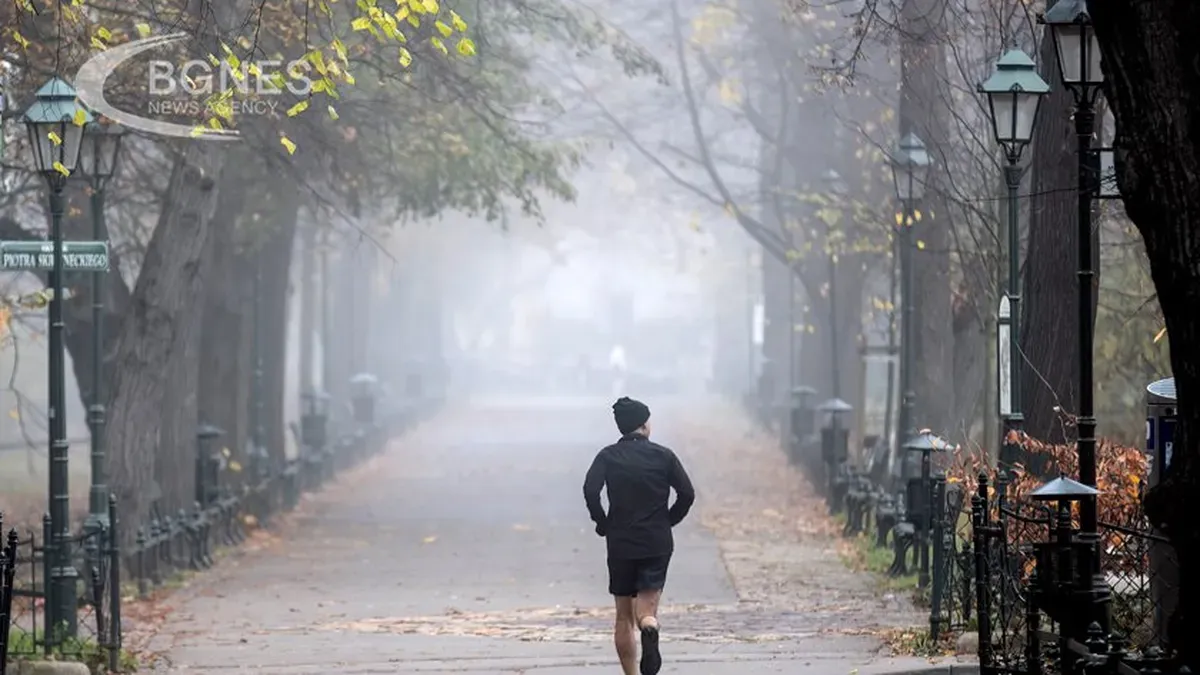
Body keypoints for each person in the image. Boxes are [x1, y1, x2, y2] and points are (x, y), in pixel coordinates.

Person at [583, 397, 696, 675]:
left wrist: (603, 521)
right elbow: (687, 494)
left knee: (623, 615)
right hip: (656, 541)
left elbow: (590, 489)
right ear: (645, 425)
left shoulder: (607, 456)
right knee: (646, 607)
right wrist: (669, 520)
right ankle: (650, 626)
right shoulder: (664, 456)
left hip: (621, 542)